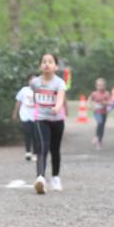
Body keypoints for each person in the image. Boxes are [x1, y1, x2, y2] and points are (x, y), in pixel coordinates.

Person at [31, 53, 67, 193]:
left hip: (57, 120)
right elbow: (32, 97)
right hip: (41, 118)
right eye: (44, 61)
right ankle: (40, 178)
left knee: (55, 149)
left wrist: (57, 107)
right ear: (40, 66)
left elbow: (61, 97)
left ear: (56, 67)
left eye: (50, 62)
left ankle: (55, 178)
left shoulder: (59, 83)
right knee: (42, 147)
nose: (47, 64)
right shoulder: (35, 83)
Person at [12, 73, 37, 161]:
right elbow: (18, 102)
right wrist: (15, 113)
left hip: (36, 116)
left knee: (35, 135)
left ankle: (35, 153)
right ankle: (28, 152)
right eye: (31, 80)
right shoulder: (24, 90)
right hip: (25, 115)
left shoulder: (40, 90)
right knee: (27, 133)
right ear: (28, 81)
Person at [88, 77, 112, 150]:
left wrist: (106, 103)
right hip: (97, 112)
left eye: (102, 85)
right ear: (96, 86)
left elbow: (110, 102)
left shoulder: (106, 93)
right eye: (99, 85)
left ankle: (99, 141)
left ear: (105, 86)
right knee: (100, 122)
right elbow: (89, 100)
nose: (100, 87)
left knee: (102, 126)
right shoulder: (94, 93)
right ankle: (96, 136)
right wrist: (90, 106)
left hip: (104, 113)